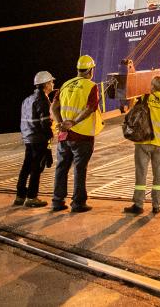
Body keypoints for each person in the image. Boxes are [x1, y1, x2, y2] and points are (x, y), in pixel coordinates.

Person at [50, 55, 102, 213]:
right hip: (82, 135)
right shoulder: (91, 86)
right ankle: (78, 203)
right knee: (80, 168)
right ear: (90, 70)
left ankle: (57, 201)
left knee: (61, 167)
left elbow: (54, 107)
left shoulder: (65, 84)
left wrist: (60, 122)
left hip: (64, 135)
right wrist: (73, 122)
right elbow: (90, 108)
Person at [123, 76, 160, 215]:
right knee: (158, 176)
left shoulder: (144, 98)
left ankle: (138, 204)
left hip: (143, 142)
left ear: (152, 86)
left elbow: (132, 116)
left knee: (141, 173)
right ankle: (156, 205)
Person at [14, 71, 55, 207]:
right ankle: (31, 197)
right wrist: (49, 140)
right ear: (46, 84)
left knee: (26, 166)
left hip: (28, 138)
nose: (53, 84)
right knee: (36, 168)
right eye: (51, 82)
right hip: (39, 139)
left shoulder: (27, 99)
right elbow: (44, 123)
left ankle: (20, 196)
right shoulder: (42, 100)